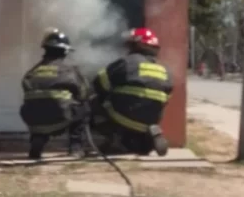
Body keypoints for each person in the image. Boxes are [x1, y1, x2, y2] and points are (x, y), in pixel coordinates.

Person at [91, 27, 173, 156]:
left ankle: (114, 138)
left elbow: (99, 83)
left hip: (123, 117)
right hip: (152, 118)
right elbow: (167, 97)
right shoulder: (165, 69)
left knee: (92, 102)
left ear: (136, 44)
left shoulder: (126, 62)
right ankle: (149, 137)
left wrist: (109, 95)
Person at [20, 28, 91, 159]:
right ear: (65, 51)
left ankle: (37, 141)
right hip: (60, 117)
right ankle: (76, 147)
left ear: (45, 49)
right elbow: (84, 93)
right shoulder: (70, 70)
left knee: (39, 105)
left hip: (34, 118)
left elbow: (27, 93)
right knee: (83, 107)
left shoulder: (32, 72)